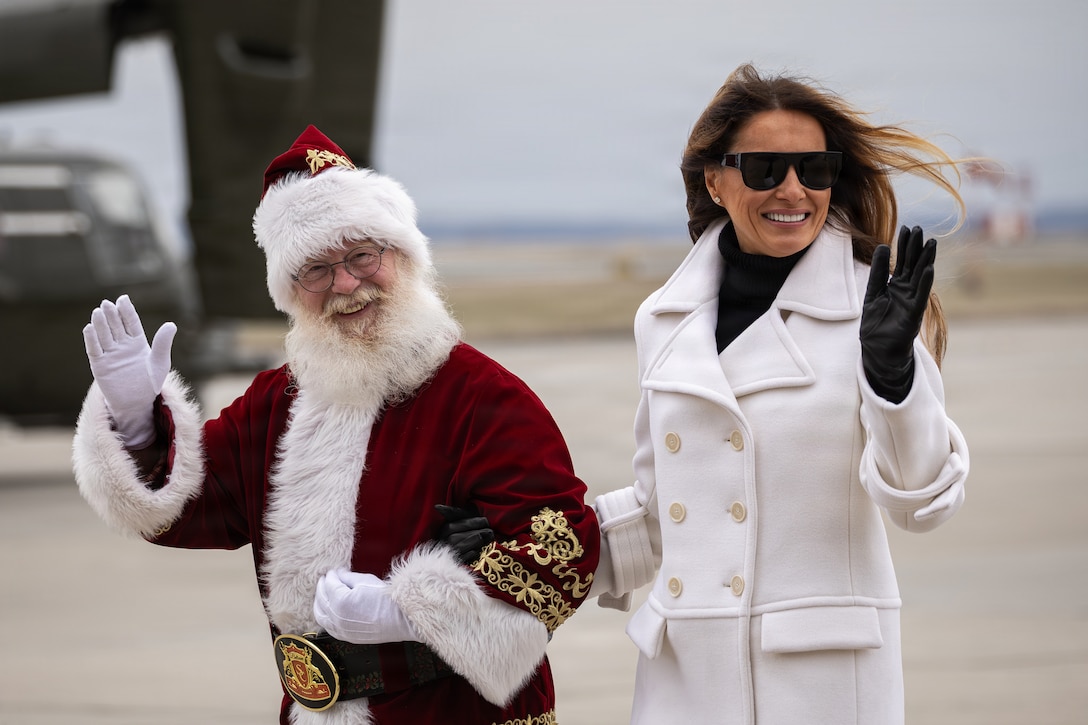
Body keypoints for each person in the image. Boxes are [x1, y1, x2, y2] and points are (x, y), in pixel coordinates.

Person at [72, 125, 599, 725]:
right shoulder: (274, 402)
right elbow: (193, 506)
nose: (345, 285)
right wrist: (137, 420)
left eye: (361, 256)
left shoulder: (483, 397)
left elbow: (566, 547)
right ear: (290, 292)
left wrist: (411, 609)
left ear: (402, 258)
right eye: (316, 269)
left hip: (456, 709)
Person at [589, 64, 970, 724]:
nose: (793, 189)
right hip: (685, 685)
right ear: (716, 180)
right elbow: (663, 516)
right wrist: (528, 540)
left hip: (819, 688)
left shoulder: (869, 309)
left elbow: (926, 500)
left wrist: (892, 376)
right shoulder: (663, 318)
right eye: (766, 168)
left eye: (814, 168)